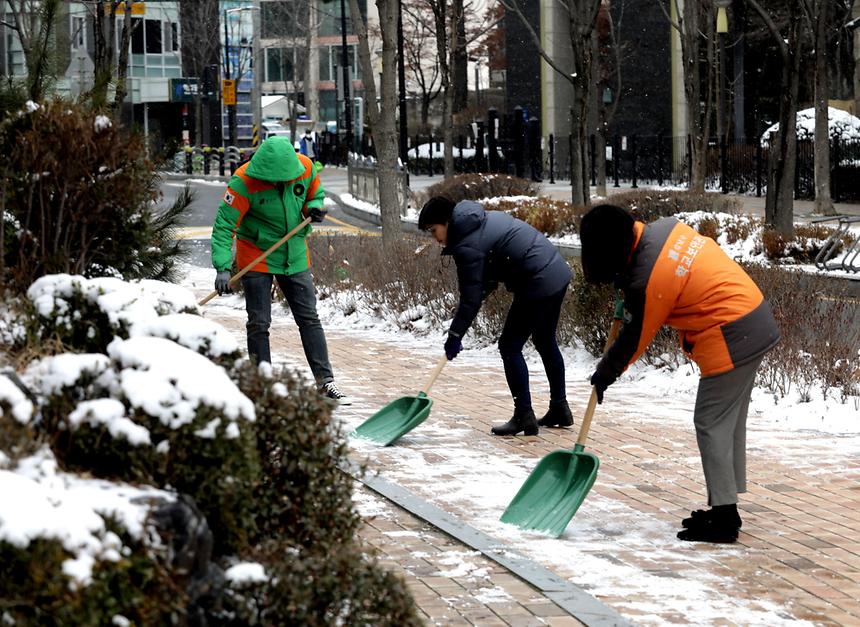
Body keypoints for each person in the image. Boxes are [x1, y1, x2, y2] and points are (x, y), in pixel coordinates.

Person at [579, 204, 780, 543]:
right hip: (751, 317)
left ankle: (724, 518)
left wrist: (605, 372)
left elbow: (634, 336)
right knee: (726, 424)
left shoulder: (650, 278)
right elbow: (644, 284)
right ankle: (725, 502)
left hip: (732, 332)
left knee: (711, 423)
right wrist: (625, 286)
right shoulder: (662, 230)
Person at [211, 136, 350, 404]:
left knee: (309, 317)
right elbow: (224, 226)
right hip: (256, 255)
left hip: (294, 254)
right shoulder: (243, 183)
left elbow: (314, 194)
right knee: (259, 322)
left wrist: (314, 208)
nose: (278, 183)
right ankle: (261, 384)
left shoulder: (305, 168)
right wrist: (222, 267)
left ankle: (326, 382)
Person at [418, 196, 573, 436]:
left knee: (510, 346)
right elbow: (487, 277)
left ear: (446, 222)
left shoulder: (467, 245)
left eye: (433, 230)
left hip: (537, 280)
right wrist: (477, 296)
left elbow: (470, 299)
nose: (435, 238)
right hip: (556, 272)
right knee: (544, 340)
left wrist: (455, 334)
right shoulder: (479, 221)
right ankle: (559, 408)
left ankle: (524, 414)